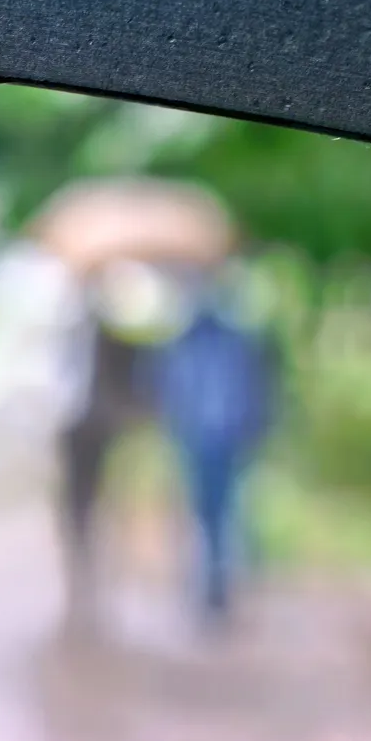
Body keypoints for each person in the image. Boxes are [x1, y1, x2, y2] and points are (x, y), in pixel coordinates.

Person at [146, 269, 278, 627]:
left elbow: (252, 390)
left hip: (223, 439)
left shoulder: (233, 343)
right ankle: (203, 585)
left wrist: (253, 429)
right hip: (195, 439)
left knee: (221, 515)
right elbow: (165, 391)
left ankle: (216, 588)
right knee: (203, 515)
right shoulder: (182, 344)